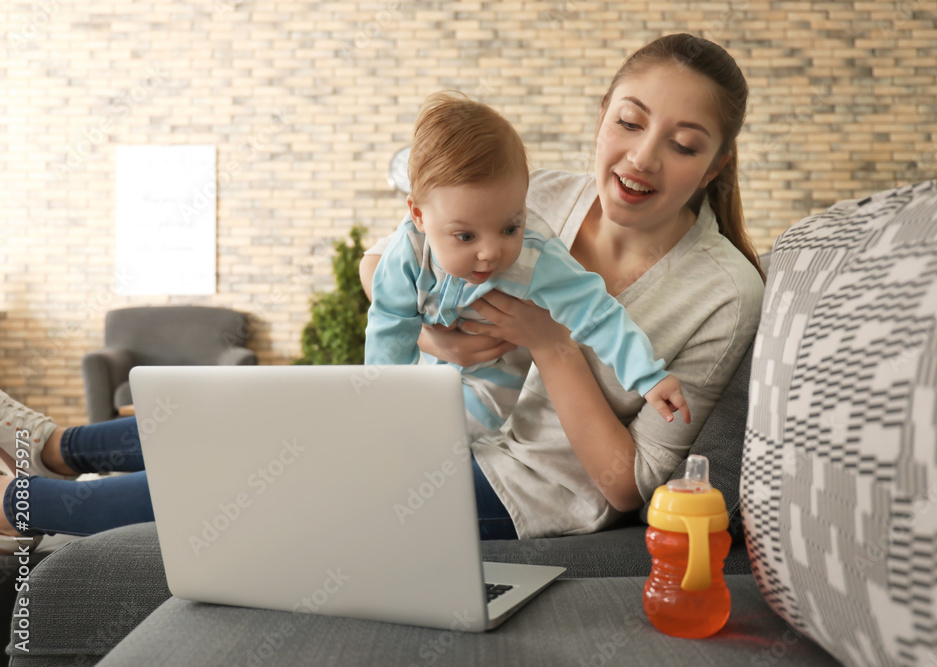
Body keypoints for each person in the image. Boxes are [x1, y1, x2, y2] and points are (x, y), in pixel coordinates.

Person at [0, 33, 764, 547]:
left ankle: (26, 505)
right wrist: (431, 337)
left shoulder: (722, 294)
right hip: (438, 410)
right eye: (630, 122)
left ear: (717, 162)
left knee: (280, 470)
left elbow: (628, 489)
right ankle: (57, 446)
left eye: (684, 143)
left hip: (524, 487)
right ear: (603, 115)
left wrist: (549, 344)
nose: (642, 157)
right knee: (268, 406)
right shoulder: (545, 195)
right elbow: (389, 264)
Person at [367, 91, 690, 440]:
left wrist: (647, 376)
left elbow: (597, 313)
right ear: (418, 215)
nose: (491, 253)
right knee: (384, 435)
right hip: (426, 371)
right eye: (465, 237)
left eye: (510, 227)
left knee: (428, 444)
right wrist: (383, 398)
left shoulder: (535, 257)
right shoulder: (408, 252)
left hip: (487, 389)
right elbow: (390, 325)